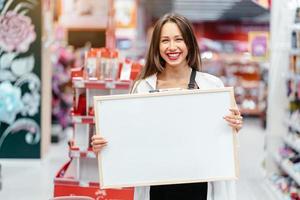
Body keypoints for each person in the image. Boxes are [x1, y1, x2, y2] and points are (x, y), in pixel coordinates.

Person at [91, 13, 243, 200]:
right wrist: (106, 145)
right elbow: (131, 136)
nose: (172, 47)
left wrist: (234, 127)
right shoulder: (143, 88)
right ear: (157, 46)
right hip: (156, 186)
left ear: (189, 43)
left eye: (178, 39)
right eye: (165, 41)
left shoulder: (213, 87)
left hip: (201, 185)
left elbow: (222, 141)